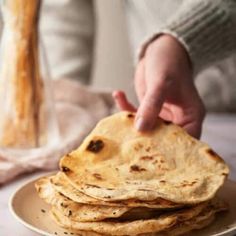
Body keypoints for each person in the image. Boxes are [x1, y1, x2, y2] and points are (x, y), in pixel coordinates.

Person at [41, 0, 236, 139]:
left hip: (170, 66)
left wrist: (180, 42)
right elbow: (61, 14)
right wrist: (63, 111)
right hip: (165, 102)